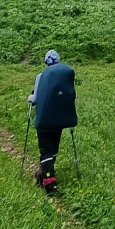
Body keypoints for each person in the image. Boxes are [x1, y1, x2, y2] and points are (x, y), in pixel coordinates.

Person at [28, 50, 78, 191]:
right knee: (53, 147)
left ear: (46, 62)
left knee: (46, 150)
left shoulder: (41, 76)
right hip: (61, 118)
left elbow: (36, 99)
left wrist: (30, 98)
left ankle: (49, 181)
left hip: (45, 119)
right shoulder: (64, 76)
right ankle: (43, 172)